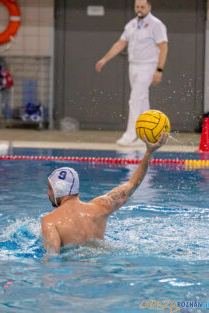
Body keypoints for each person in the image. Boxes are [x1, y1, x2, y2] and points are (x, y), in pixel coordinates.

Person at [41, 133, 168, 254]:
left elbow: (52, 258)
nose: (48, 193)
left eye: (50, 188)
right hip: (101, 265)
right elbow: (132, 184)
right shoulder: (100, 207)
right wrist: (149, 152)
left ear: (59, 189)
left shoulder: (49, 221)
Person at [95, 0, 168, 146]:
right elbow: (120, 43)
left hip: (148, 66)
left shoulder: (156, 24)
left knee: (135, 99)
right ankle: (147, 134)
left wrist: (159, 69)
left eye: (142, 7)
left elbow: (164, 46)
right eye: (137, 7)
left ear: (149, 7)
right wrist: (105, 59)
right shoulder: (131, 24)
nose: (139, 9)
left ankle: (130, 135)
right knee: (142, 101)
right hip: (133, 66)